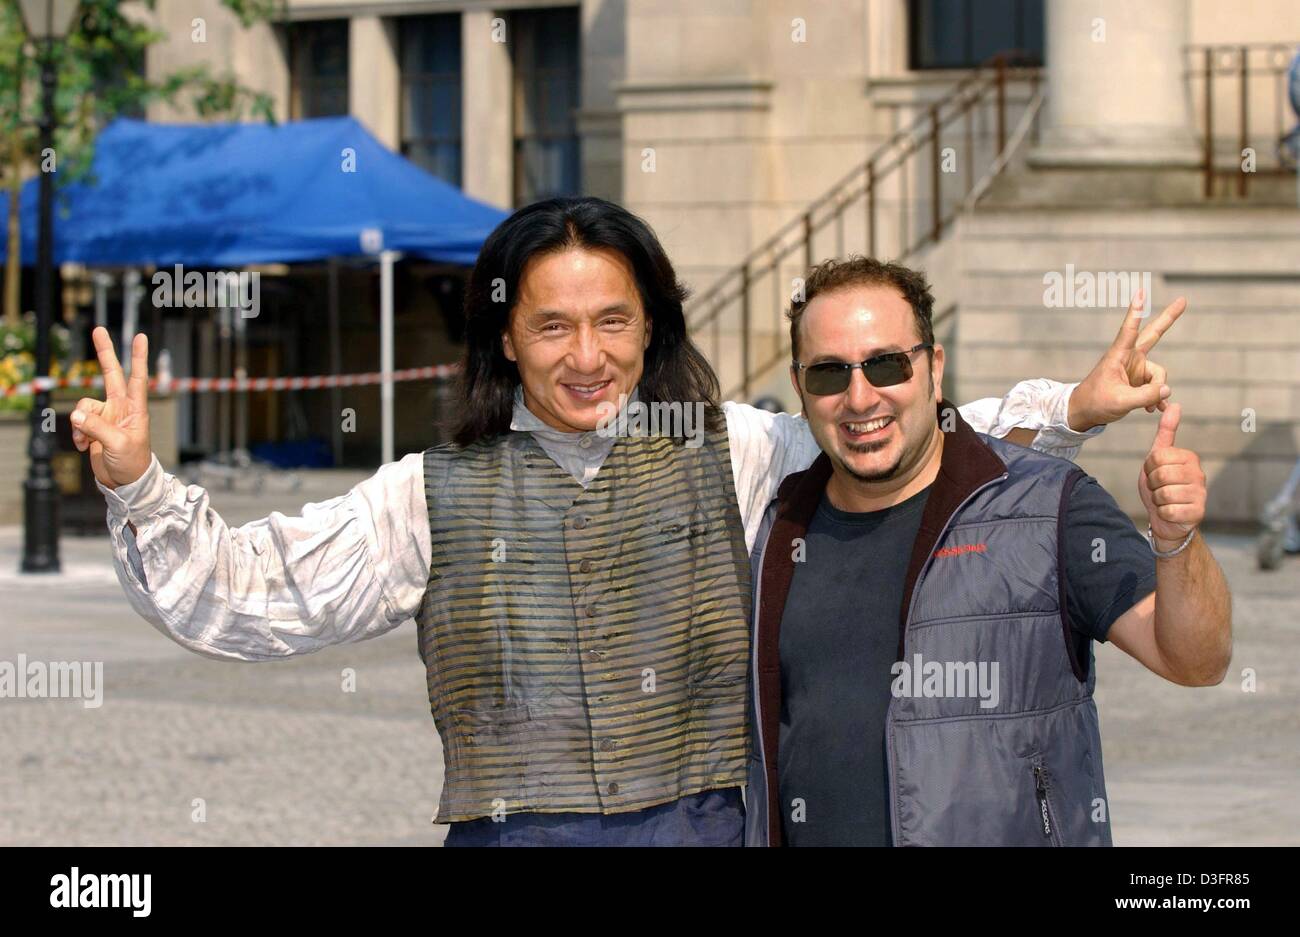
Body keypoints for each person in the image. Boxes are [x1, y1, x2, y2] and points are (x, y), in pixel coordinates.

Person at [71, 198, 1175, 846]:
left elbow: (886, 431)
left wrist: (1071, 406)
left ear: (651, 330)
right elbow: (258, 591)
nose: (585, 355)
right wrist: (139, 485)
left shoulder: (738, 451)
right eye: (552, 325)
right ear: (506, 338)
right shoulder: (427, 489)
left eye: (613, 321)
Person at [744, 256, 1232, 846]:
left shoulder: (1050, 505)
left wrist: (1178, 541)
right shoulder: (777, 528)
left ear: (934, 368)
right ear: (799, 387)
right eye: (828, 373)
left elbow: (1197, 661)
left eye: (887, 365)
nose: (859, 396)